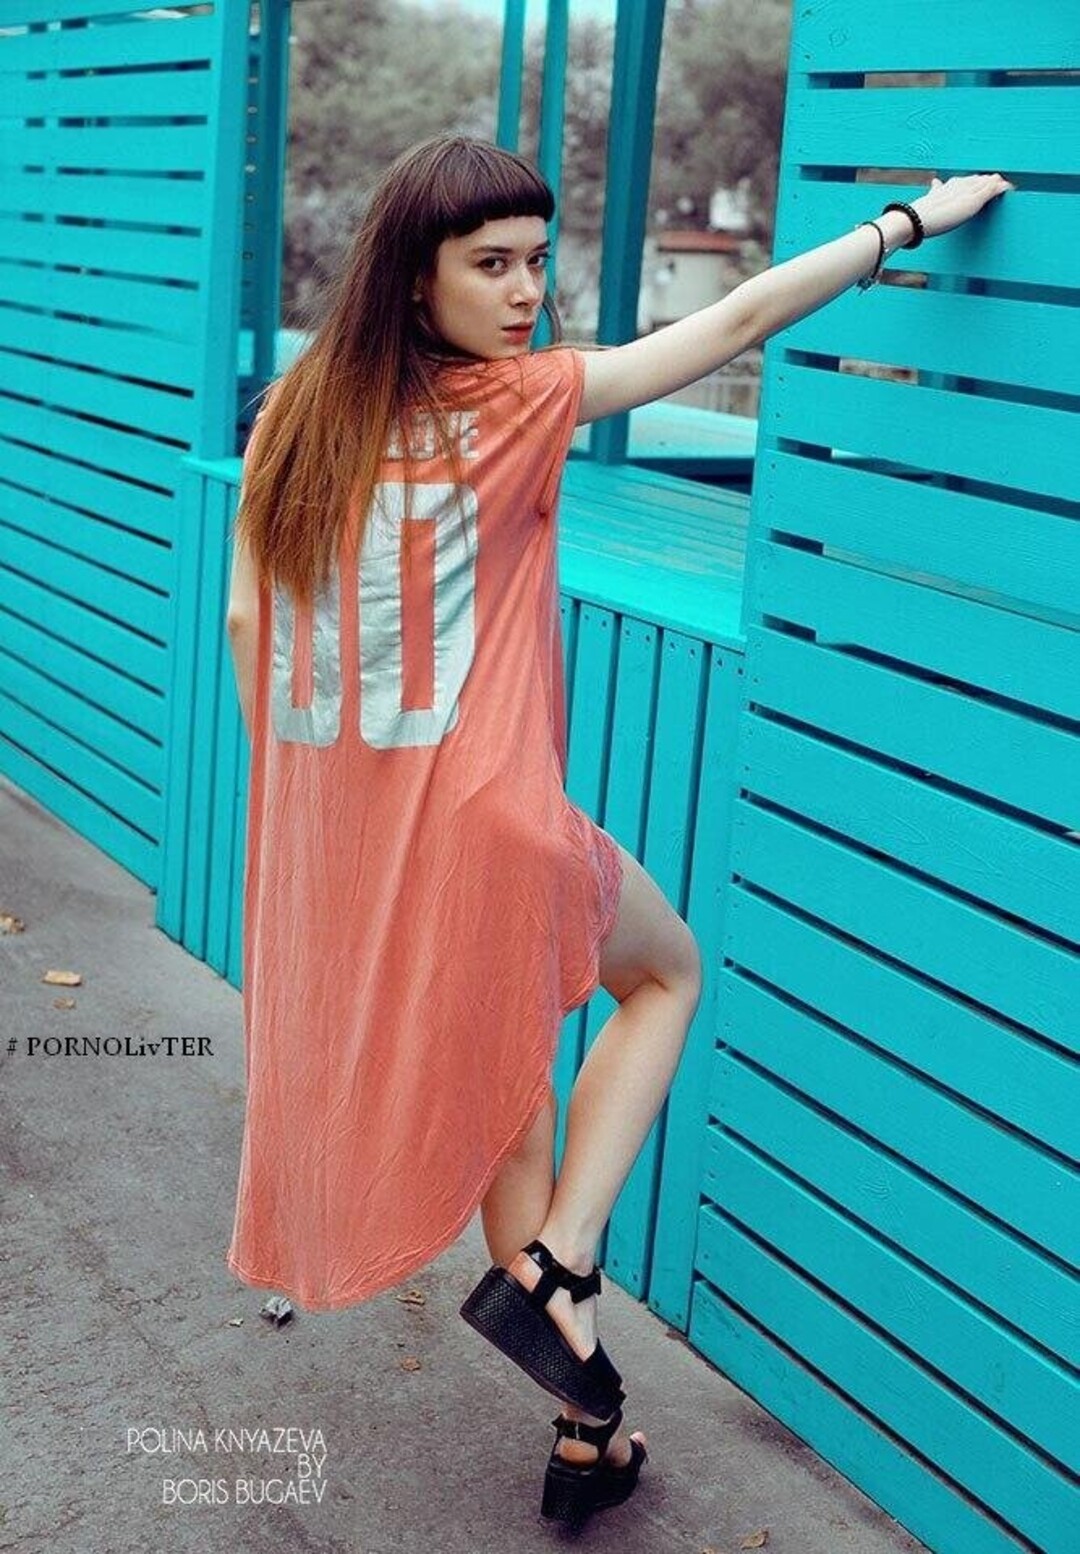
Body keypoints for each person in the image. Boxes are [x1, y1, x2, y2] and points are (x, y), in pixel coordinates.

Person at [223, 134, 1014, 1528]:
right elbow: (741, 317)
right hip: (499, 825)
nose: (527, 292)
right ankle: (570, 1281)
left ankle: (585, 1409)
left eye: (537, 261)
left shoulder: (290, 415)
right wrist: (907, 222)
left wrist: (323, 811)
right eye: (492, 265)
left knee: (507, 1111)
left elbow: (248, 623)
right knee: (667, 975)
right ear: (413, 280)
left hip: (363, 848)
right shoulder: (525, 400)